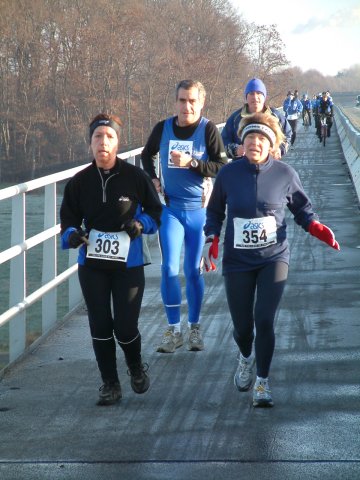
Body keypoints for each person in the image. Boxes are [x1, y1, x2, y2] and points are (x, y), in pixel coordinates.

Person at [203, 112, 340, 408]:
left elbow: (304, 211)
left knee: (263, 319)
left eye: (261, 139)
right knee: (242, 327)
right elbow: (214, 212)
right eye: (250, 138)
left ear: (272, 144)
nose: (254, 143)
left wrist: (316, 227)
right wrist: (211, 237)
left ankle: (262, 382)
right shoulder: (228, 174)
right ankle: (246, 357)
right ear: (242, 142)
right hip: (237, 260)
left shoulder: (284, 174)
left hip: (273, 258)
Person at [60, 113, 162, 406]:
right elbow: (67, 220)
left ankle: (134, 366)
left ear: (118, 142)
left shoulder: (135, 177)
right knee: (100, 324)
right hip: (92, 265)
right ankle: (110, 383)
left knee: (125, 327)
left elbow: (157, 213)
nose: (103, 142)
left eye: (109, 137)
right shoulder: (79, 182)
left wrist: (140, 224)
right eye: (97, 137)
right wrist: (72, 235)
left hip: (128, 265)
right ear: (90, 143)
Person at [141, 79, 227, 353]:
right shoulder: (163, 128)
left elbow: (221, 166)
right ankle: (173, 330)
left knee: (192, 271)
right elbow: (146, 155)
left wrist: (193, 164)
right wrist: (153, 179)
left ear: (201, 103)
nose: (187, 106)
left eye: (192, 101)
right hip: (171, 209)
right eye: (182, 100)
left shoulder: (208, 129)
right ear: (175, 101)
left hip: (199, 212)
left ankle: (195, 328)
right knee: (168, 269)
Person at [221, 78, 292, 160]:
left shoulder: (276, 116)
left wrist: (280, 149)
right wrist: (235, 150)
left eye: (259, 93)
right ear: (246, 97)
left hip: (270, 166)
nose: (255, 97)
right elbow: (222, 144)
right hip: (241, 167)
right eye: (251, 93)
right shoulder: (235, 119)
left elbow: (287, 136)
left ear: (264, 97)